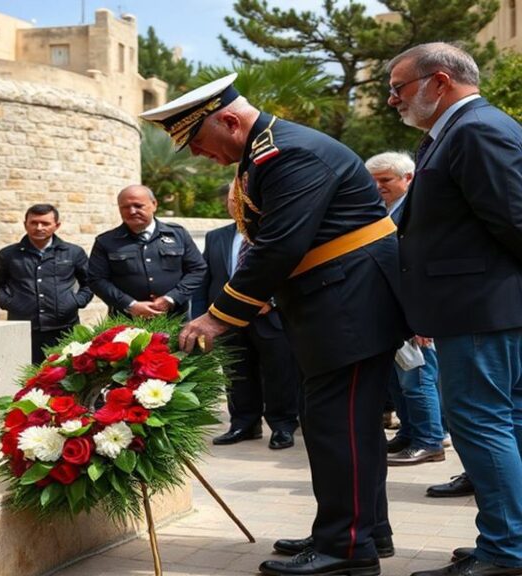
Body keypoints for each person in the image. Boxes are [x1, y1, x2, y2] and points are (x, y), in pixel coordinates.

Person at [142, 73, 407, 576]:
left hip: (348, 305)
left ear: (228, 120)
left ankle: (346, 550)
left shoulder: (288, 154)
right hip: (337, 303)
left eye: (197, 142)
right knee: (348, 426)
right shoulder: (268, 153)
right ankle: (360, 530)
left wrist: (219, 317)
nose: (198, 156)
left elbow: (279, 246)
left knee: (338, 428)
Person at [387, 42, 522, 576]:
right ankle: (508, 539)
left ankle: (506, 551)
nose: (393, 100)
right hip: (481, 308)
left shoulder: (476, 130)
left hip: (480, 311)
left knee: (481, 425)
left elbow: (515, 220)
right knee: (501, 424)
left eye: (398, 88)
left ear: (438, 82)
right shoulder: (455, 133)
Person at [192, 182, 300, 449]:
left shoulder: (275, 234)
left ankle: (282, 426)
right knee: (236, 374)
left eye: (243, 198)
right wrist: (201, 318)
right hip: (226, 320)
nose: (237, 204)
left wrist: (272, 300)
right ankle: (243, 423)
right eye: (232, 199)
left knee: (279, 375)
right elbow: (206, 278)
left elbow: (292, 271)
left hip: (271, 318)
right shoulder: (216, 236)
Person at [365, 152, 446, 466]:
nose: (378, 186)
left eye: (385, 180)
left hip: (416, 314)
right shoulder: (385, 211)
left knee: (418, 378)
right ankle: (410, 433)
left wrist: (421, 316)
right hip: (393, 313)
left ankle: (429, 441)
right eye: (373, 181)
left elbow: (421, 267)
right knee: (399, 381)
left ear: (407, 178)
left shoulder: (418, 211)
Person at [88, 184, 206, 319]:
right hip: (126, 322)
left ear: (154, 204)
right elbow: (96, 280)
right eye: (125, 207)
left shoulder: (177, 235)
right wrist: (130, 305)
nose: (132, 211)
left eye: (138, 206)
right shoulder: (106, 241)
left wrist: (172, 298)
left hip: (174, 319)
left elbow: (198, 269)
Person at [0, 204, 93, 364]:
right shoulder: (8, 255)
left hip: (65, 327)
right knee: (26, 375)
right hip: (23, 328)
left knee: (65, 375)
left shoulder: (73, 252)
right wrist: (10, 303)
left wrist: (76, 302)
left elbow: (90, 282)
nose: (39, 227)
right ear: (25, 224)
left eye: (45, 223)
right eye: (34, 223)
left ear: (57, 225)